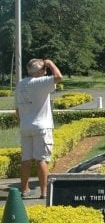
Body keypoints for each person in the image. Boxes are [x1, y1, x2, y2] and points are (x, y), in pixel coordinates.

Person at [14, 59, 62, 199]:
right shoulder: (40, 82)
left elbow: (17, 109)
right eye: (44, 69)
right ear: (39, 71)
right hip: (42, 126)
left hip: (25, 125)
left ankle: (24, 190)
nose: (46, 71)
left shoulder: (20, 84)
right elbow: (58, 77)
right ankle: (44, 192)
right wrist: (51, 63)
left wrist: (24, 122)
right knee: (41, 159)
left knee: (26, 160)